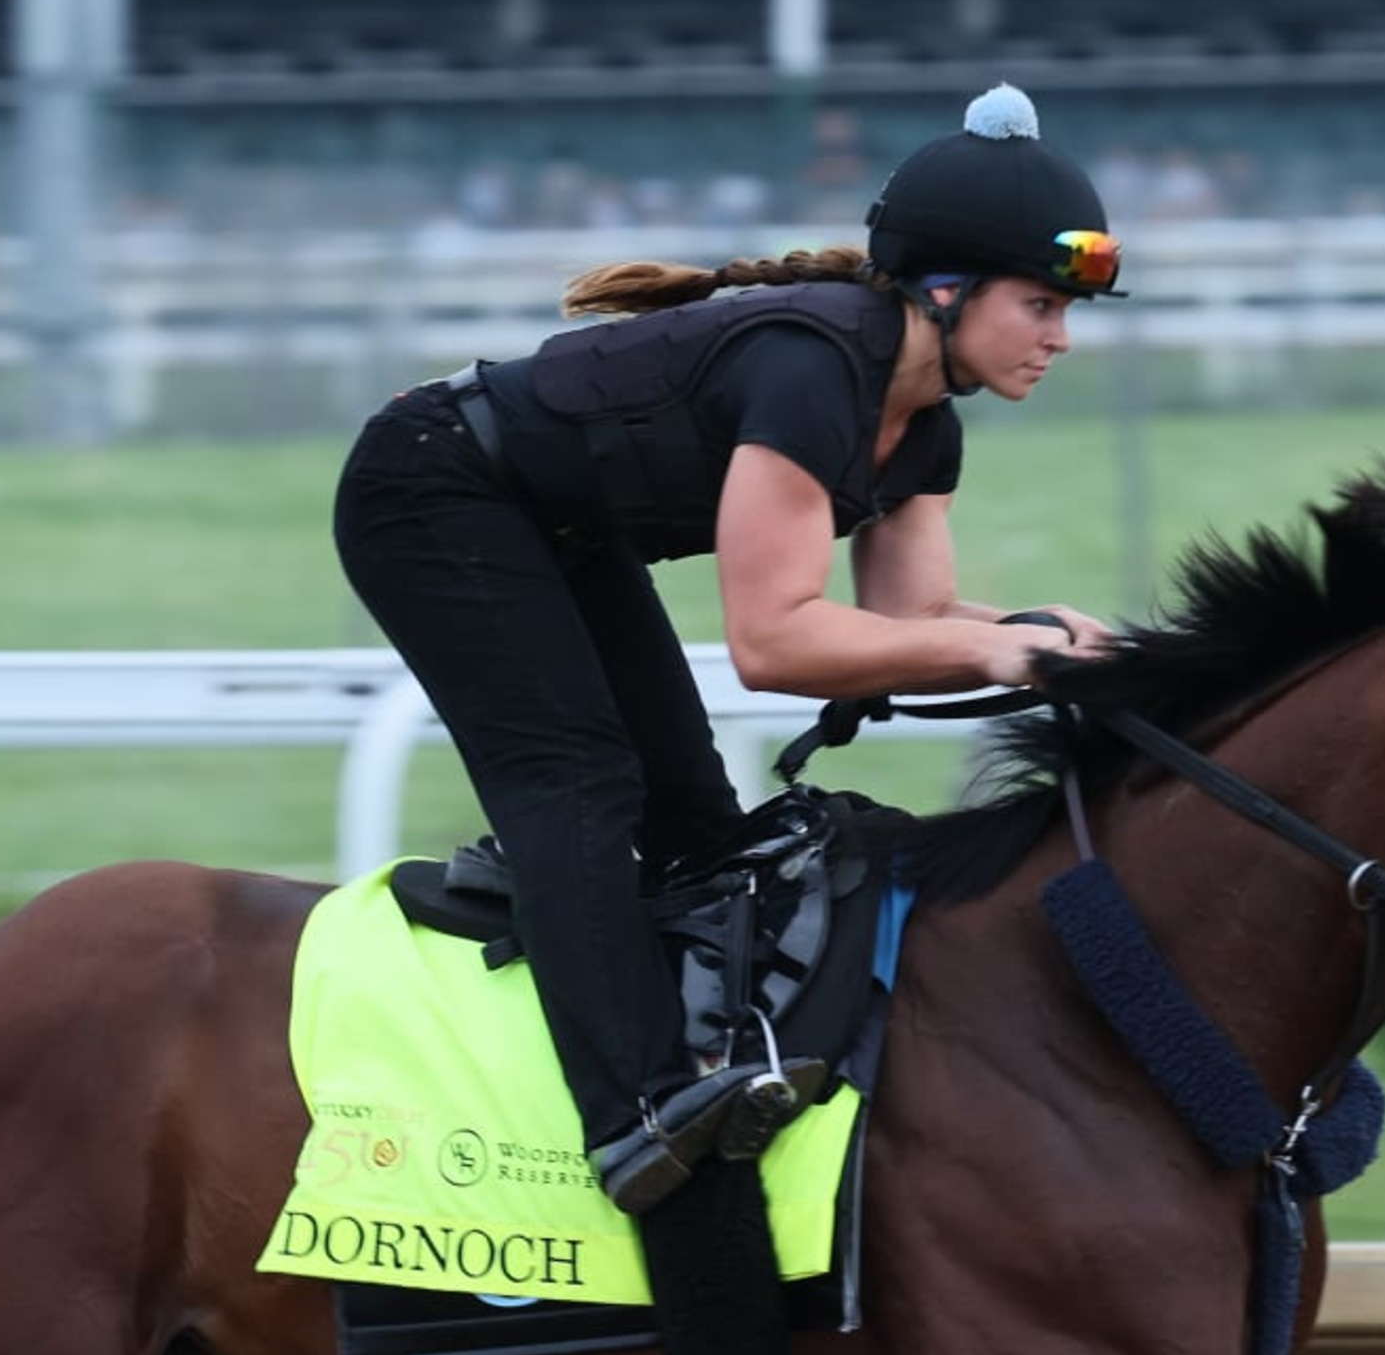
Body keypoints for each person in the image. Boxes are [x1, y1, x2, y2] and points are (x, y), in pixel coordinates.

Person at [330, 84, 1126, 1215]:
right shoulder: (813, 370)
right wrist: (1004, 659)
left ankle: (697, 1033)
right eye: (1039, 304)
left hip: (551, 521)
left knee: (697, 816)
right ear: (944, 291)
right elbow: (772, 641)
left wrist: (1057, 638)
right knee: (579, 779)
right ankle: (633, 1117)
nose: (1058, 336)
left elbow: (911, 622)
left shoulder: (926, 425)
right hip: (429, 486)